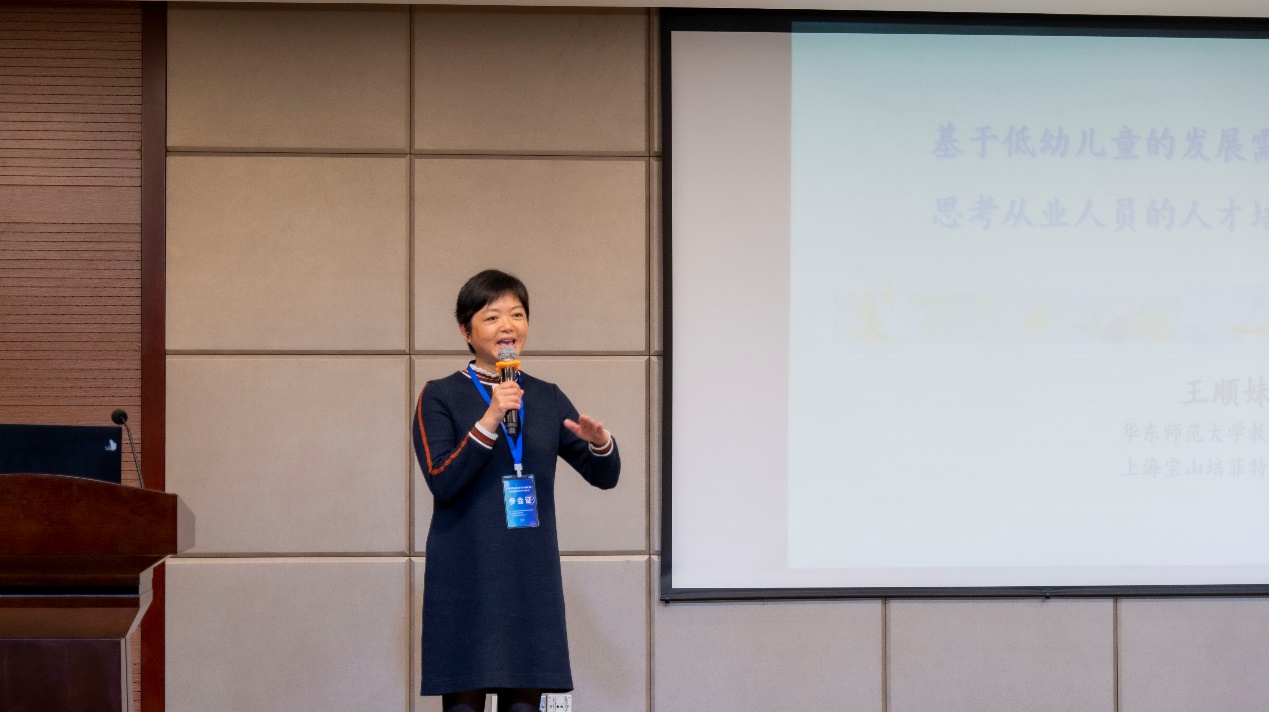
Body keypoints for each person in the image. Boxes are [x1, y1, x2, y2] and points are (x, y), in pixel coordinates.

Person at [412, 269, 621, 712]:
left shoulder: (546, 397)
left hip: (530, 575)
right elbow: (442, 479)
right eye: (492, 317)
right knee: (463, 705)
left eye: (517, 314)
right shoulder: (440, 395)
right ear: (465, 331)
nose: (507, 326)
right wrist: (490, 419)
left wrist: (600, 443)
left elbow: (604, 476)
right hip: (466, 574)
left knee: (524, 706)